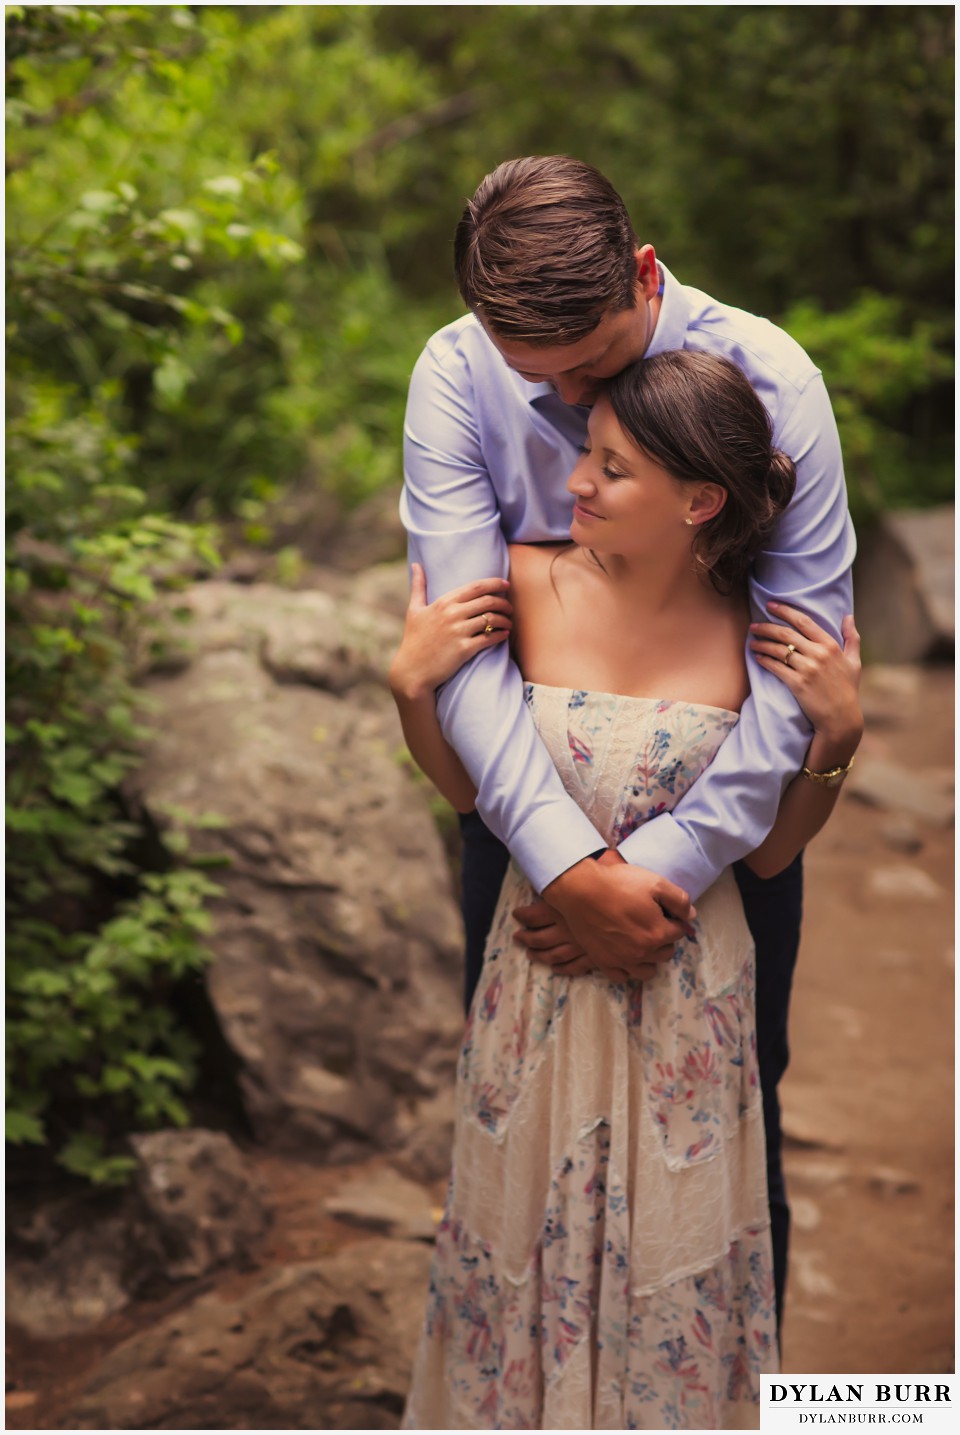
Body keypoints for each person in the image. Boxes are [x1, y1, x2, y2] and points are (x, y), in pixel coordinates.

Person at [400, 156, 856, 1328]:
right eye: (532, 378)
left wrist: (661, 870)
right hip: (522, 830)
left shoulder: (775, 382)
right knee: (518, 1103)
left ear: (643, 276)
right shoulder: (456, 373)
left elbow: (798, 658)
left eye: (591, 371)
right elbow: (466, 653)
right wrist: (562, 862)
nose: (560, 407)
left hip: (723, 834)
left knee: (740, 1111)